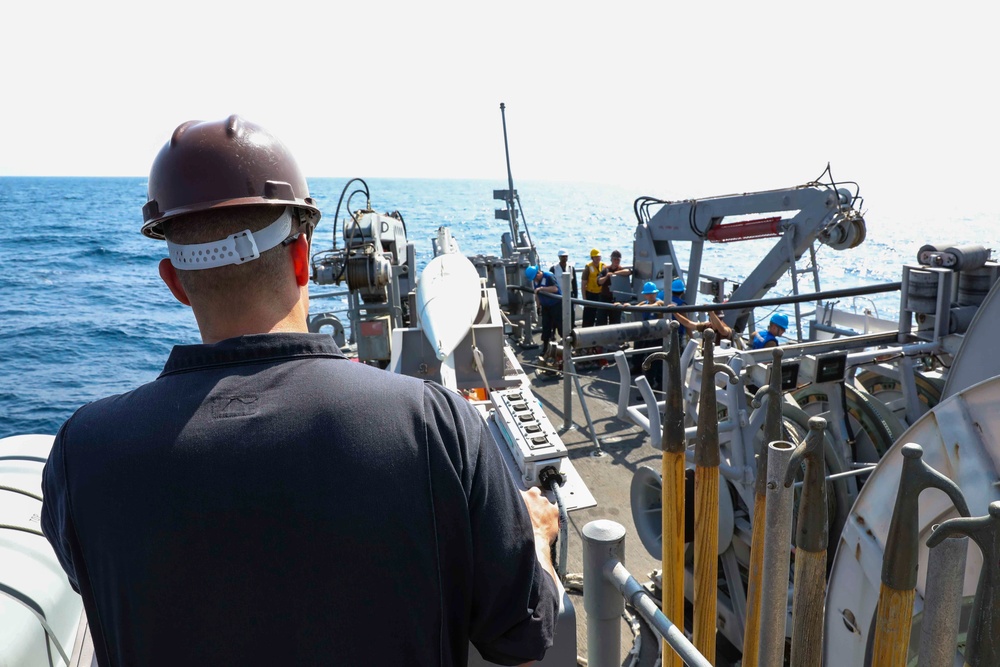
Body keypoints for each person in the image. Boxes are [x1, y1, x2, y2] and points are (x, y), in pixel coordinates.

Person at [40, 116, 559, 667]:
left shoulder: (83, 454)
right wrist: (537, 542)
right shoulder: (437, 426)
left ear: (174, 283)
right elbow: (521, 639)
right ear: (300, 257)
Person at [526, 264, 562, 360]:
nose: (534, 280)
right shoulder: (536, 281)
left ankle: (566, 347)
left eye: (534, 278)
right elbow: (537, 295)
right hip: (545, 306)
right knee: (546, 326)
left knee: (560, 325)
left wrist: (542, 289)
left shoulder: (549, 276)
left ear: (538, 274)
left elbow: (555, 289)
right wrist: (538, 307)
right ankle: (545, 348)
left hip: (556, 305)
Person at [598, 249, 632, 325]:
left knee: (615, 321)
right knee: (601, 320)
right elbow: (599, 281)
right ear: (611, 259)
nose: (616, 261)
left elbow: (629, 272)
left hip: (616, 299)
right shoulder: (605, 269)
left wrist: (615, 273)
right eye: (615, 259)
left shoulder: (620, 269)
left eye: (618, 259)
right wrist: (607, 276)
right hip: (605, 298)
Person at [581, 248, 606, 328]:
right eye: (596, 257)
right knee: (588, 316)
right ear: (592, 258)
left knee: (600, 315)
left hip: (600, 294)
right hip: (590, 294)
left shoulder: (603, 266)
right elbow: (583, 283)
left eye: (599, 257)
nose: (598, 258)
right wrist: (584, 298)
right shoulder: (588, 268)